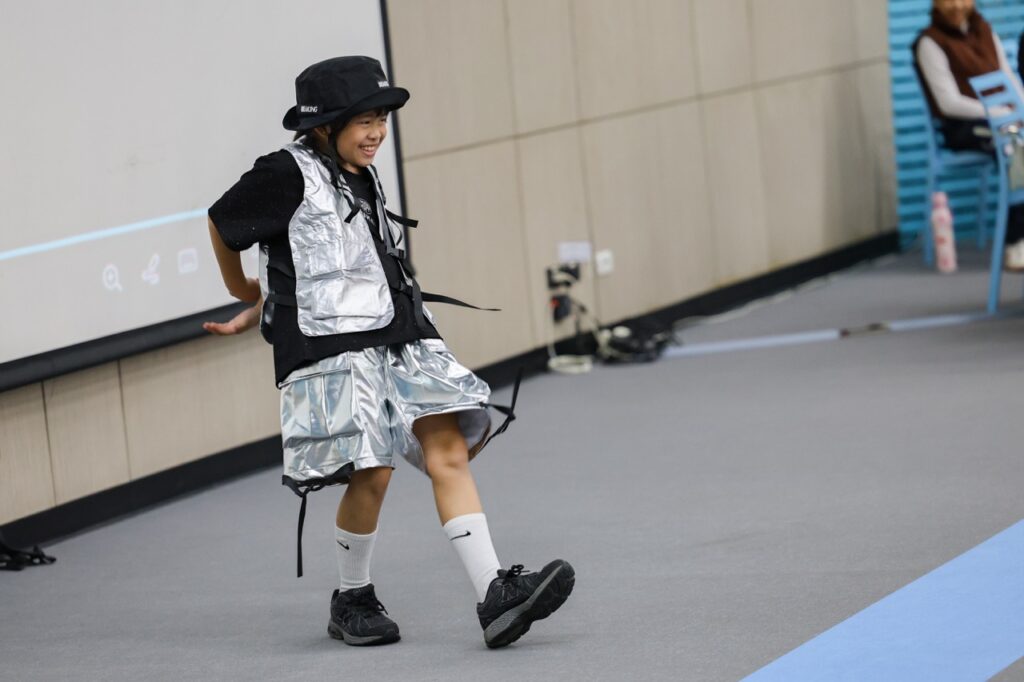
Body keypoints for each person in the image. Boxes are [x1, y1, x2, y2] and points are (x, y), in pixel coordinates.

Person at [204, 56, 574, 648]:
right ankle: (352, 597)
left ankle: (494, 593)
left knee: (447, 447)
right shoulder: (285, 171)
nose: (377, 132)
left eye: (382, 119)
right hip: (330, 343)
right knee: (371, 472)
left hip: (401, 330)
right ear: (324, 125)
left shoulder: (361, 171)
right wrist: (247, 293)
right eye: (365, 120)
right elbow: (223, 223)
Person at [914, 0, 1024, 270]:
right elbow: (948, 103)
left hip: (1004, 119)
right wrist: (999, 113)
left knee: (1015, 137)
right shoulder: (929, 43)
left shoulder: (984, 30)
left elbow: (1007, 76)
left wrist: (1019, 108)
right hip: (965, 127)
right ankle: (1016, 241)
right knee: (1013, 148)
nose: (956, 5)